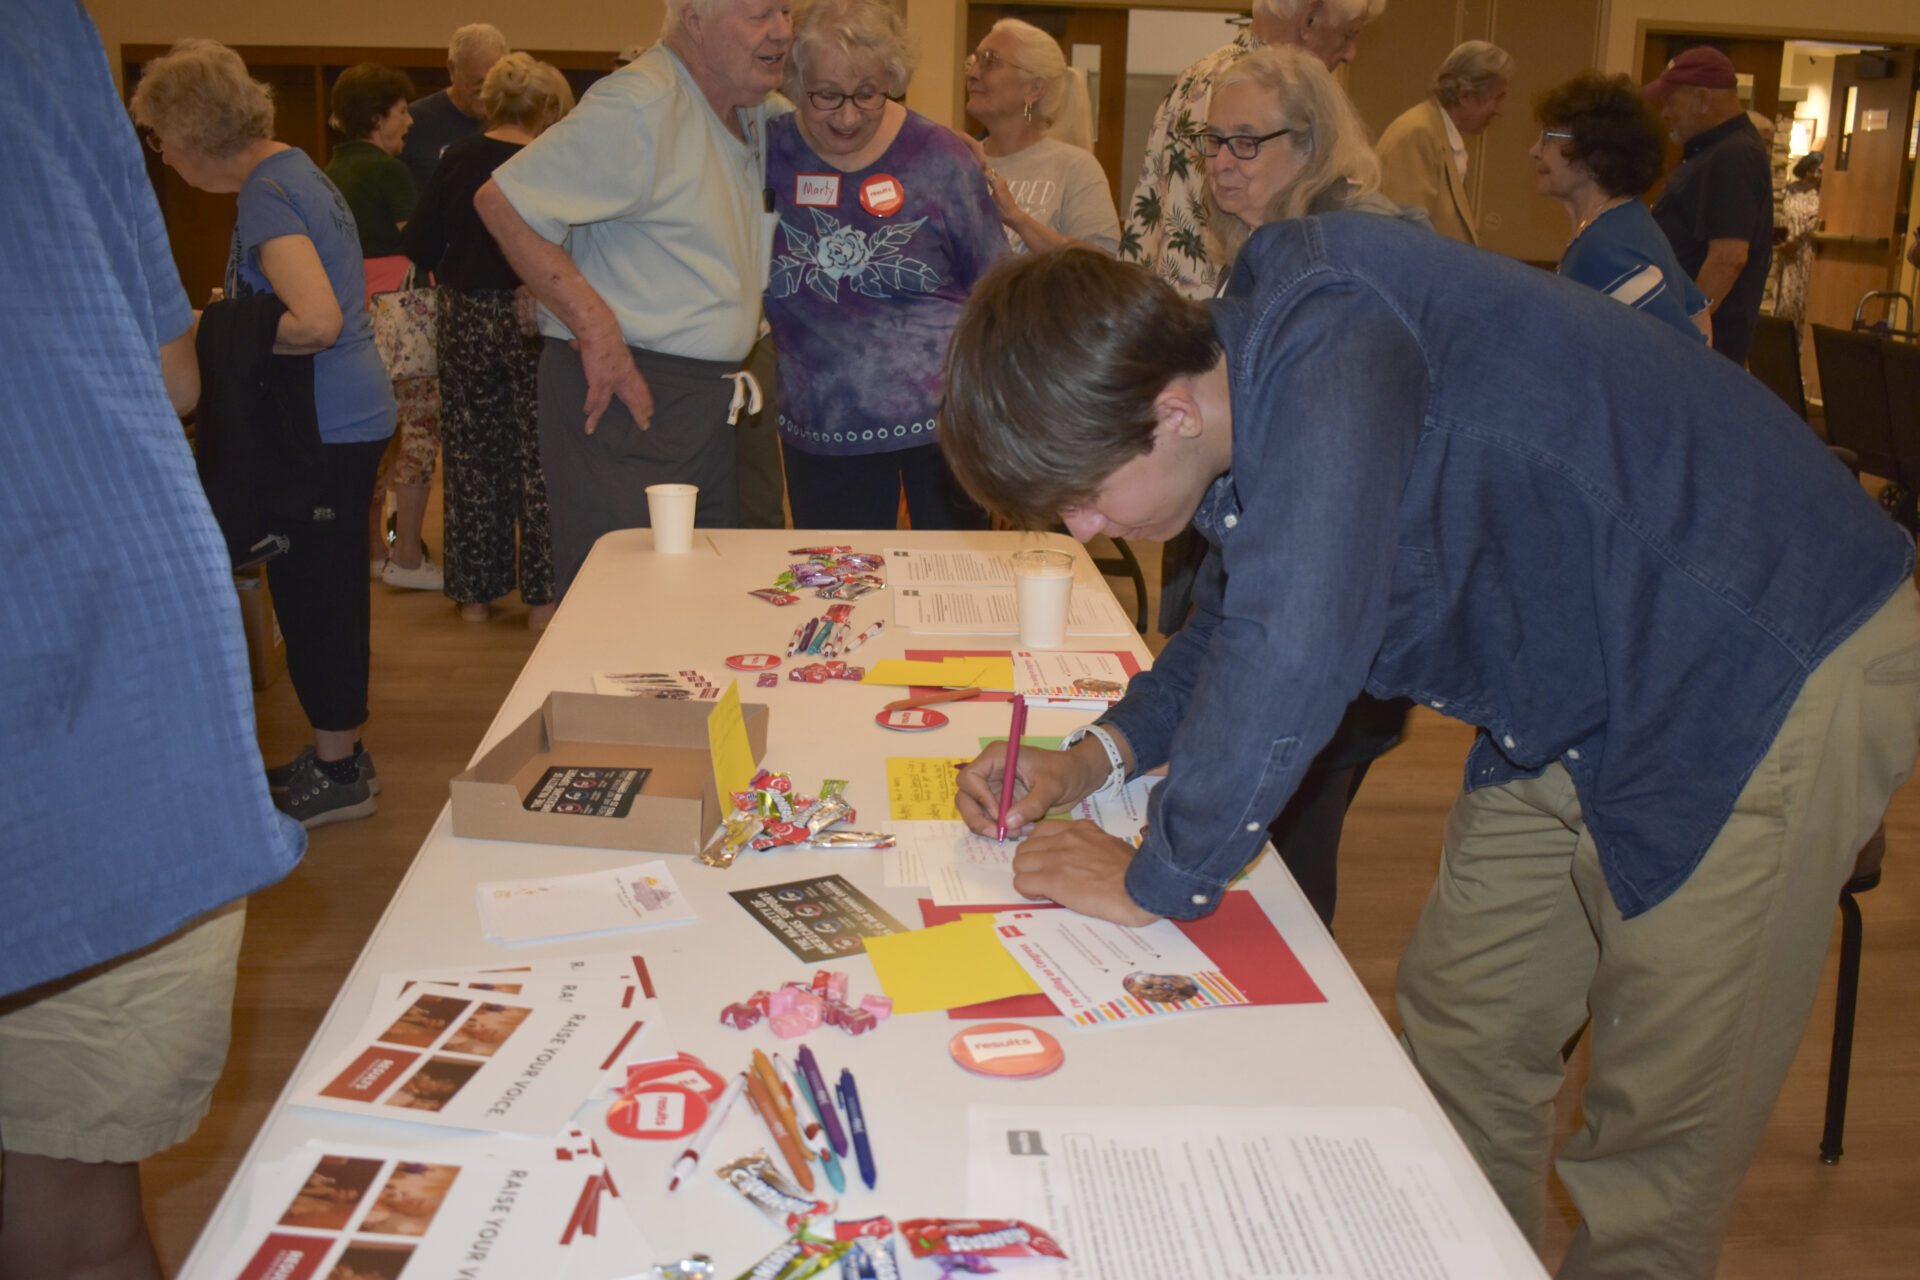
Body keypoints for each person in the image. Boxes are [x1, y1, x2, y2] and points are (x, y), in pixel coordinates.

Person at [938, 231, 1920, 1279]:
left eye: (1086, 496)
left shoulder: (1330, 339)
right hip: (1583, 679)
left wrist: (1158, 875)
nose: (1086, 530)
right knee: (1463, 1028)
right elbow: (1238, 620)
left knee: (1654, 1147)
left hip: (1756, 666)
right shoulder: (1248, 375)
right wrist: (1091, 758)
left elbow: (1298, 636)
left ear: (1170, 412)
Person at [2, 8, 306, 1278]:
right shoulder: (47, 31)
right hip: (100, 673)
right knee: (74, 1210)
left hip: (76, 674)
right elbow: (173, 371)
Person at [132, 39, 398, 827]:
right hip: (343, 415)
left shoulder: (265, 194)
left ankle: (340, 768)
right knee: (327, 588)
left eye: (160, 138)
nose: (162, 156)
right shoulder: (295, 170)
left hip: (327, 420)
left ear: (190, 132)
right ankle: (338, 751)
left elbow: (314, 321)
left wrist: (209, 325)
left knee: (318, 594)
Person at [1188, 42, 1419, 924]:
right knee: (1284, 833)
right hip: (1312, 588)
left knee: (1301, 834)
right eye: (1212, 143)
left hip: (1353, 602)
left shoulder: (1346, 259)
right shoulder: (1269, 247)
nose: (1221, 163)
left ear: (1315, 143)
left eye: (1248, 142)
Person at [476, 0, 792, 597]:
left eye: (786, 10)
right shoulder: (641, 106)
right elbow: (505, 202)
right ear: (694, 21)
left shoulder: (751, 111)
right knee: (628, 600)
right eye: (759, 14)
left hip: (713, 398)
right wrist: (595, 328)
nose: (780, 29)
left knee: (707, 597)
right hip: (633, 392)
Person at [763, 0, 1002, 529]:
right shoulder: (769, 151)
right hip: (821, 422)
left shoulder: (940, 157)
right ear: (796, 82)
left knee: (952, 589)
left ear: (891, 79)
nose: (848, 116)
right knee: (838, 590)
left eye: (868, 93)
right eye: (826, 96)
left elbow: (994, 286)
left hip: (942, 428)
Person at [405, 53, 572, 627]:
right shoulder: (552, 159)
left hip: (465, 314)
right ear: (546, 107)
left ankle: (475, 598)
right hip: (537, 313)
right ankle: (543, 600)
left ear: (490, 102)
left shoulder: (458, 159)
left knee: (472, 453)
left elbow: (421, 245)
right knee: (539, 454)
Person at [1122, 0, 1385, 296]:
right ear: (1308, 19)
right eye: (1348, 34)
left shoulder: (1197, 75)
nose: (1351, 54)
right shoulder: (1254, 92)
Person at [327, 63, 446, 593]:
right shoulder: (386, 171)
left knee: (375, 433)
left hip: (354, 311)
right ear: (378, 118)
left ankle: (372, 547)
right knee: (420, 427)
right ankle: (406, 556)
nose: (409, 124)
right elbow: (419, 240)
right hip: (405, 311)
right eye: (401, 113)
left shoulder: (331, 171)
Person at [1531, 72, 1710, 343]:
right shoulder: (1628, 222)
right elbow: (1698, 312)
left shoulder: (1604, 248)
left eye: (1548, 137)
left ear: (1594, 150)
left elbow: (1686, 352)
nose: (1534, 150)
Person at [1645, 46, 1774, 364]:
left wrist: (1684, 330)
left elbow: (1728, 258)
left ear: (1702, 99)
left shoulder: (1733, 156)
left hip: (1702, 347)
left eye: (1671, 100)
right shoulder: (1714, 151)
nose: (1665, 113)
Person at [962, 18, 1119, 255]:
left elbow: (1102, 265)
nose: (973, 73)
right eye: (973, 61)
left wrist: (1017, 220)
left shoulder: (1076, 168)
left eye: (990, 61)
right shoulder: (960, 162)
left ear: (1034, 88)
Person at [1377, 40, 1514, 246]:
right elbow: (1405, 237)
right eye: (1497, 98)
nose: (1500, 111)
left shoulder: (1436, 134)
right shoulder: (1417, 134)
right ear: (1466, 95)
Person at [400, 23, 508, 192]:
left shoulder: (512, 121)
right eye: (477, 82)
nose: (486, 92)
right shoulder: (413, 122)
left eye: (494, 82)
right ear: (452, 69)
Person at [1776, 151, 1822, 324]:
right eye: (1812, 170)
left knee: (1806, 297)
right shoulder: (1789, 191)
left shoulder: (1822, 195)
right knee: (1786, 299)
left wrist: (1799, 239)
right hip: (1787, 251)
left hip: (1809, 252)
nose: (1815, 175)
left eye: (1819, 172)